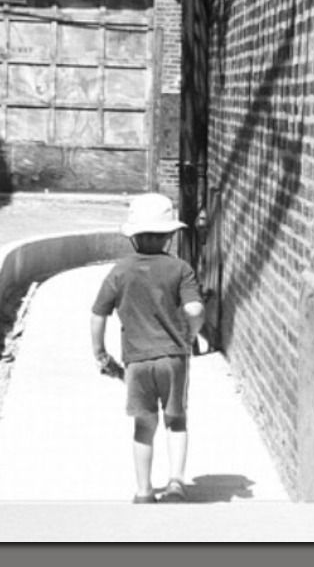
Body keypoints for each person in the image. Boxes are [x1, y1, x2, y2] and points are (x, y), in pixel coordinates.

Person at [90, 192, 206, 504]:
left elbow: (98, 313)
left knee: (144, 425)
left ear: (132, 237)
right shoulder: (180, 269)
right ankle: (176, 483)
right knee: (176, 420)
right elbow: (194, 310)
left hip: (136, 362)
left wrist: (100, 353)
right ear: (170, 236)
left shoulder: (120, 270)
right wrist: (190, 336)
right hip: (173, 358)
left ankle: (143, 491)